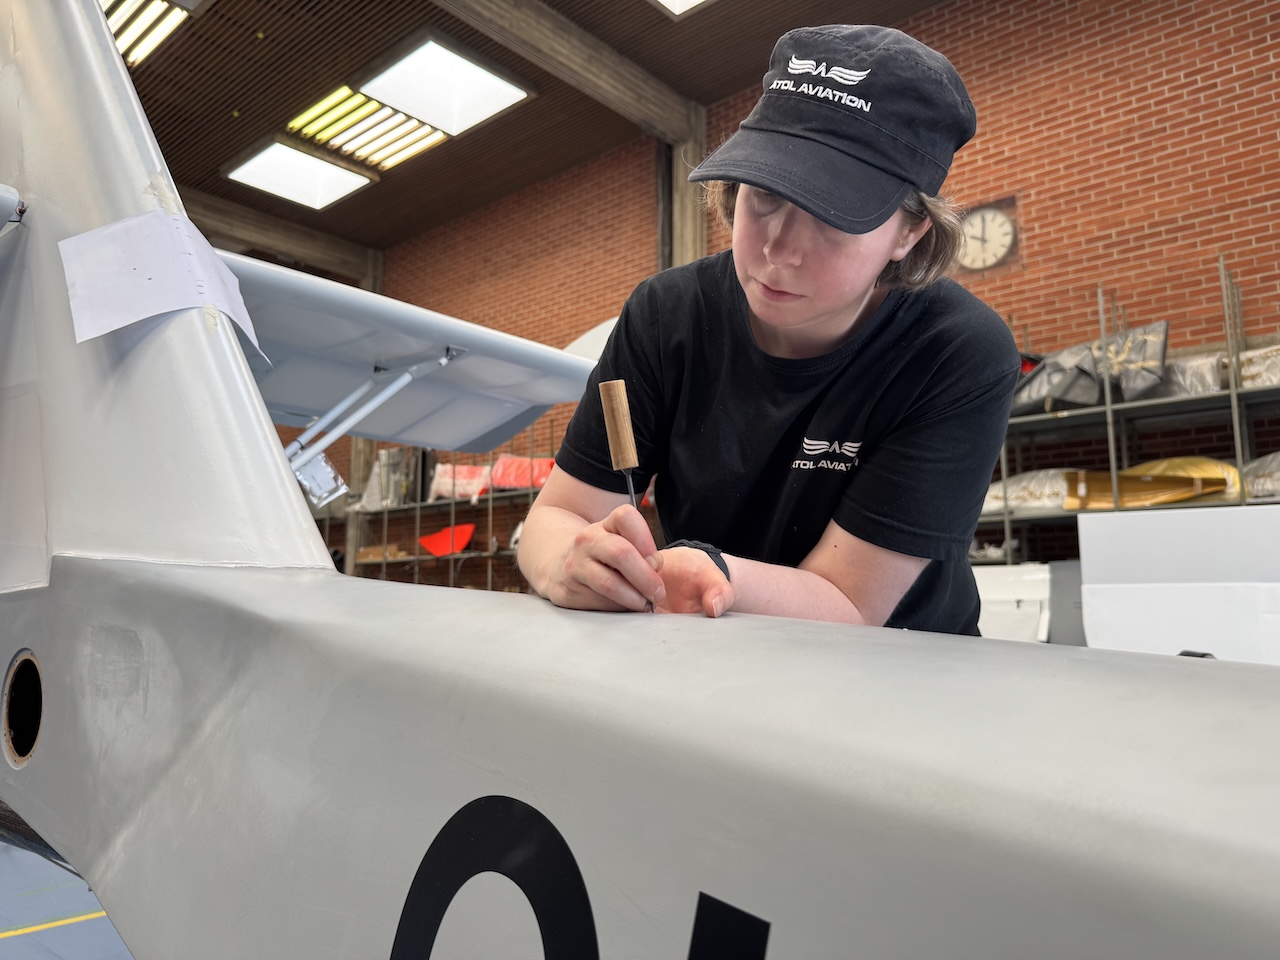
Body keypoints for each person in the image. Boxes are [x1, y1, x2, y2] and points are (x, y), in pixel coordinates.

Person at [517, 24, 1020, 635]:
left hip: (901, 670)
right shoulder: (664, 316)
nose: (778, 249)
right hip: (710, 653)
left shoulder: (955, 351)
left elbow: (851, 605)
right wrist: (570, 562)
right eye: (764, 198)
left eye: (832, 219)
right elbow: (559, 516)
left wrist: (712, 575)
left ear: (909, 232)